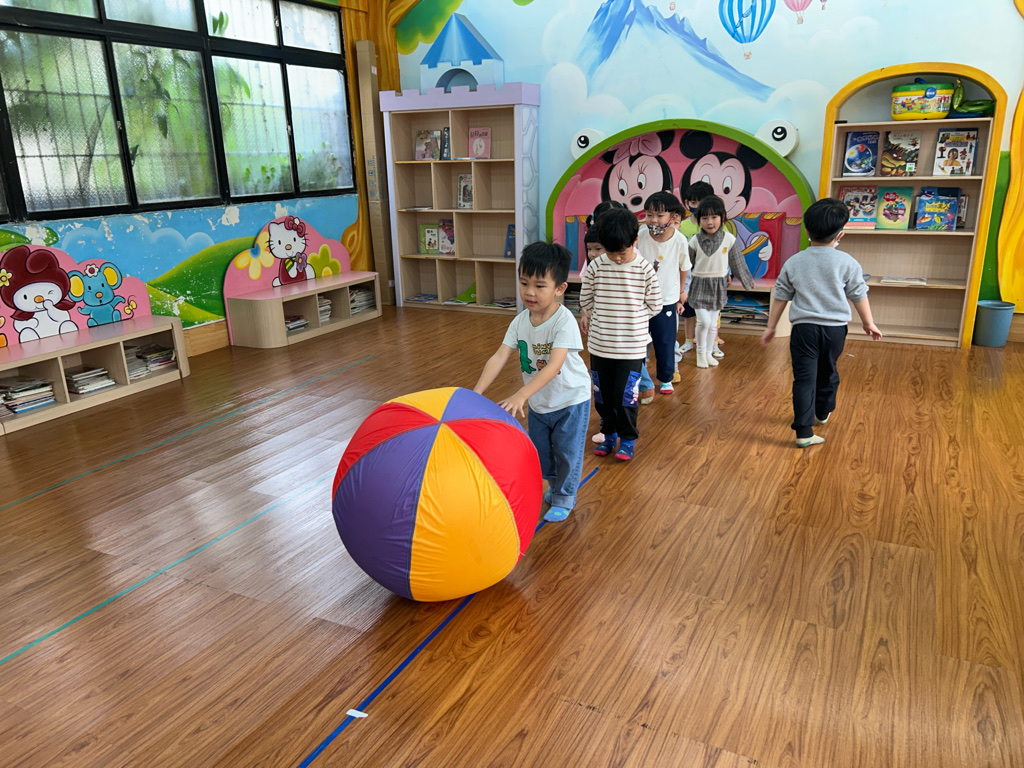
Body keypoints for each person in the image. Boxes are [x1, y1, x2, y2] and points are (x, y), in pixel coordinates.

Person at [473, 242, 591, 521]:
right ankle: (556, 487)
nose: (529, 292)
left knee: (567, 452)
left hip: (570, 400)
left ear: (559, 289)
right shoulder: (520, 322)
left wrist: (520, 395)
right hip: (540, 402)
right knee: (541, 452)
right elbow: (499, 357)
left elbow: (554, 366)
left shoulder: (564, 321)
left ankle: (564, 496)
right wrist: (476, 393)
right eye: (524, 283)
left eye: (539, 286)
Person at [761, 198, 882, 447]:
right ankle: (823, 410)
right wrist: (868, 323)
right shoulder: (847, 262)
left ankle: (804, 432)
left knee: (804, 379)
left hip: (803, 330)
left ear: (807, 231)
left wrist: (771, 326)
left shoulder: (794, 261)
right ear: (840, 235)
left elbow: (781, 295)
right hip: (834, 330)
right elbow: (859, 294)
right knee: (828, 372)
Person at [580, 207, 662, 461]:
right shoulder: (596, 266)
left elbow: (655, 305)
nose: (616, 258)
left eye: (622, 252)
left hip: (631, 349)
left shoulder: (644, 269)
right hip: (600, 347)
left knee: (625, 396)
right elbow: (586, 298)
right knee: (602, 396)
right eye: (611, 252)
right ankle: (609, 435)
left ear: (635, 241)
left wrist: (633, 318)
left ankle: (627, 440)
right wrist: (600, 317)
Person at [686, 195, 754, 369]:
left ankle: (709, 353)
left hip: (718, 286)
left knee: (712, 324)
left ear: (722, 217)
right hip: (699, 285)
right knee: (703, 322)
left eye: (714, 217)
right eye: (704, 218)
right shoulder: (694, 240)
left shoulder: (729, 239)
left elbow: (737, 262)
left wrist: (747, 282)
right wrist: (681, 288)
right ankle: (700, 353)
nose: (710, 222)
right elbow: (686, 265)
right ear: (699, 220)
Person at [635, 191, 690, 394]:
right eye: (649, 215)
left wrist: (681, 292)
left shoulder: (679, 240)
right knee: (638, 342)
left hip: (666, 299)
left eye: (659, 215)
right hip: (640, 300)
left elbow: (684, 267)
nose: (653, 220)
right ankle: (638, 377)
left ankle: (666, 378)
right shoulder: (640, 235)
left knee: (665, 341)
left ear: (673, 217)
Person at [676, 181, 725, 361]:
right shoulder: (682, 226)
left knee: (712, 312)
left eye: (701, 201)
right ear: (687, 203)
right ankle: (689, 340)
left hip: (710, 277)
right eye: (693, 202)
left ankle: (713, 343)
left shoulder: (716, 225)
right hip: (688, 277)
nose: (697, 206)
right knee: (689, 311)